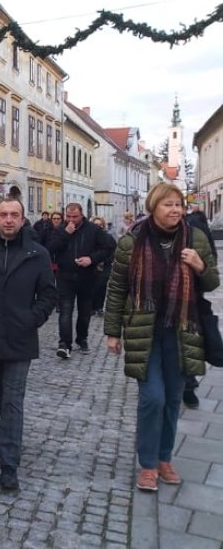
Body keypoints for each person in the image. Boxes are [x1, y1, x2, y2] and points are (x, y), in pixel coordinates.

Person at [104, 183, 219, 492]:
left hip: (183, 331)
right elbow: (117, 289)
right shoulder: (132, 242)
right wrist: (112, 331)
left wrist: (200, 265)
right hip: (146, 332)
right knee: (152, 398)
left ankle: (164, 458)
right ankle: (148, 464)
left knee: (171, 400)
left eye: (179, 205)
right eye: (168, 204)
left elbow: (211, 282)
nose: (175, 210)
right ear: (153, 207)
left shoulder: (195, 238)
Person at [0, 197, 57, 491]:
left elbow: (48, 295)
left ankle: (9, 464)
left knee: (13, 398)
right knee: (1, 393)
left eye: (14, 215)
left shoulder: (36, 253)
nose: (8, 220)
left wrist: (32, 319)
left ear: (22, 218)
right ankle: (11, 436)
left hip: (20, 338)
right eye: (3, 214)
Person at [47, 202, 113, 357]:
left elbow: (109, 246)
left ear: (81, 214)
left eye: (74, 216)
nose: (71, 220)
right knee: (65, 311)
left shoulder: (93, 230)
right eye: (68, 216)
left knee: (84, 312)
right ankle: (64, 344)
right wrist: (65, 234)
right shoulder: (60, 230)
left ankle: (82, 338)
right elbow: (50, 248)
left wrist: (92, 259)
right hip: (65, 276)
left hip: (87, 277)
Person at [183, 202, 219, 409]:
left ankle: (188, 384)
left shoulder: (197, 233)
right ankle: (188, 385)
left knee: (190, 341)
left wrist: (199, 266)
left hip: (192, 298)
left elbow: (212, 276)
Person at [89, 216, 116, 317]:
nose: (98, 227)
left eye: (100, 225)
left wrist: (108, 260)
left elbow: (113, 250)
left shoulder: (108, 238)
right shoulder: (89, 238)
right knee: (91, 286)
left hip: (105, 265)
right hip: (91, 265)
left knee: (101, 285)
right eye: (96, 225)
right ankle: (91, 307)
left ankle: (99, 306)